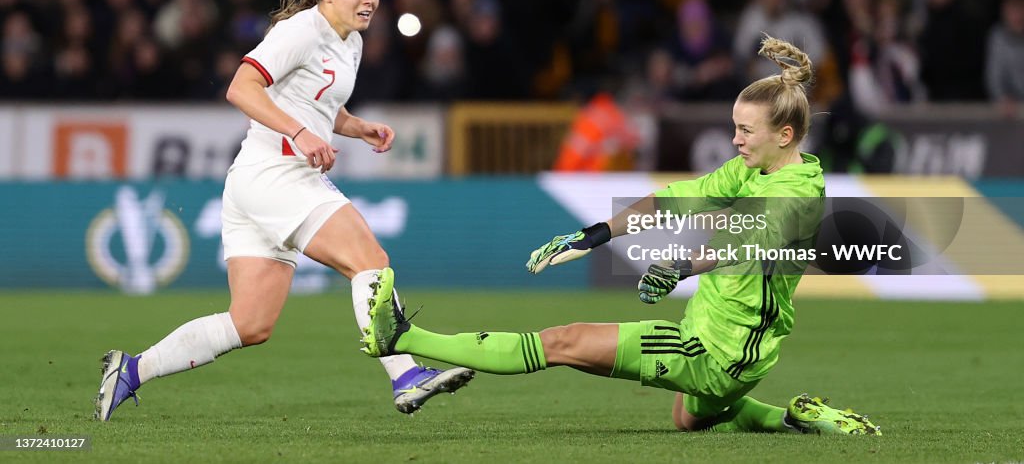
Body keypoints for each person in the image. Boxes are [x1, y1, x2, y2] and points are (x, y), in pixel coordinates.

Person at [359, 36, 881, 436]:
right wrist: (597, 233)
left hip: (723, 348)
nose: (735, 139)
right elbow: (680, 197)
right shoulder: (756, 169)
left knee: (563, 341)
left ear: (784, 135)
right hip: (719, 328)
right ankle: (795, 418)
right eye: (735, 126)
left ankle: (404, 338)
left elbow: (738, 246)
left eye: (746, 130)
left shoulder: (794, 193)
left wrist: (682, 266)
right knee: (687, 419)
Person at [94, 0, 474, 420]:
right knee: (370, 262)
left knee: (250, 323)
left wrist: (355, 126)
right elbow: (241, 86)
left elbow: (314, 100)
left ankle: (131, 370)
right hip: (277, 174)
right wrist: (298, 132)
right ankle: (405, 375)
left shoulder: (349, 40)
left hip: (255, 182)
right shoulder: (300, 31)